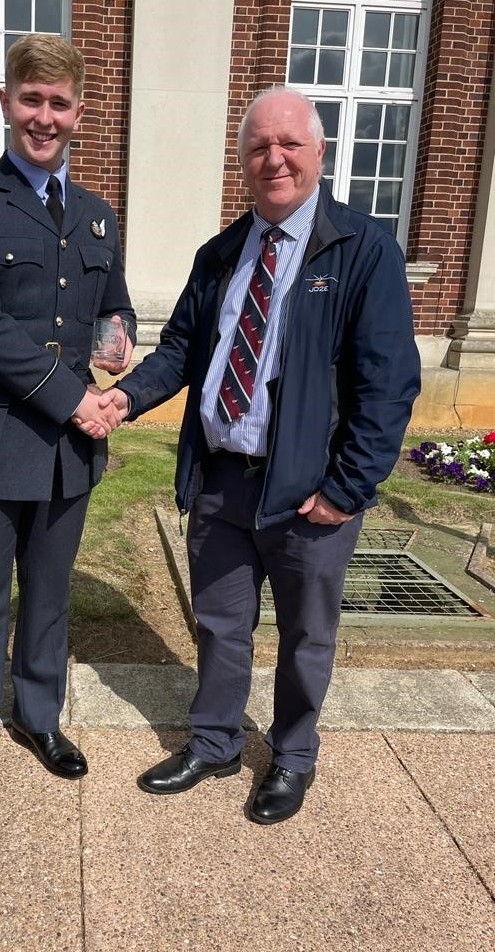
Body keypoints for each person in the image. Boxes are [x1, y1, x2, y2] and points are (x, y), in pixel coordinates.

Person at [95, 86, 420, 824]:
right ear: (242, 162)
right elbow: (181, 348)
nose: (274, 158)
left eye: (289, 145)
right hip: (221, 481)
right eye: (258, 148)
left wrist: (348, 487)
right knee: (218, 625)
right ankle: (213, 743)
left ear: (318, 153)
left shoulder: (363, 251)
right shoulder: (221, 253)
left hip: (310, 495)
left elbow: (389, 385)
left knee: (307, 636)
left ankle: (294, 755)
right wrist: (127, 398)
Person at [0, 34, 135, 845]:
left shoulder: (97, 214)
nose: (46, 117)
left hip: (63, 457)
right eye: (31, 99)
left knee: (47, 601)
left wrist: (118, 339)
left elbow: (114, 303)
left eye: (60, 103)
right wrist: (77, 399)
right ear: (6, 102)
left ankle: (38, 718)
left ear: (80, 112)